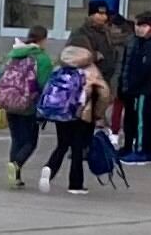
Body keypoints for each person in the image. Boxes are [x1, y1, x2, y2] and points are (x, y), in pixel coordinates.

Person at [42, 42, 112, 196]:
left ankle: (49, 168)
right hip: (82, 116)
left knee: (62, 145)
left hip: (61, 114)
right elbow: (104, 95)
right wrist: (98, 115)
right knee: (77, 150)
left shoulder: (60, 68)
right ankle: (75, 184)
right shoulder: (91, 70)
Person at [0, 24, 55, 187]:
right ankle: (16, 165)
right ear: (43, 39)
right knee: (30, 142)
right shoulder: (42, 59)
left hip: (9, 102)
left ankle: (15, 176)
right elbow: (44, 84)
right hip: (28, 105)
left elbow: (0, 76)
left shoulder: (13, 53)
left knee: (16, 140)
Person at [121, 14, 151, 163]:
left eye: (142, 26)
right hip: (140, 88)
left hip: (144, 90)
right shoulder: (141, 42)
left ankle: (141, 151)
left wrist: (133, 84)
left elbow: (145, 68)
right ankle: (141, 148)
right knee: (140, 119)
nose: (138, 29)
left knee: (142, 120)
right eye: (137, 25)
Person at [69, 0, 116, 74]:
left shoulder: (106, 31)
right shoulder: (81, 32)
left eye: (105, 14)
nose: (104, 17)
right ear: (91, 15)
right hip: (88, 77)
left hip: (105, 76)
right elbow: (74, 54)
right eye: (100, 14)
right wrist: (94, 56)